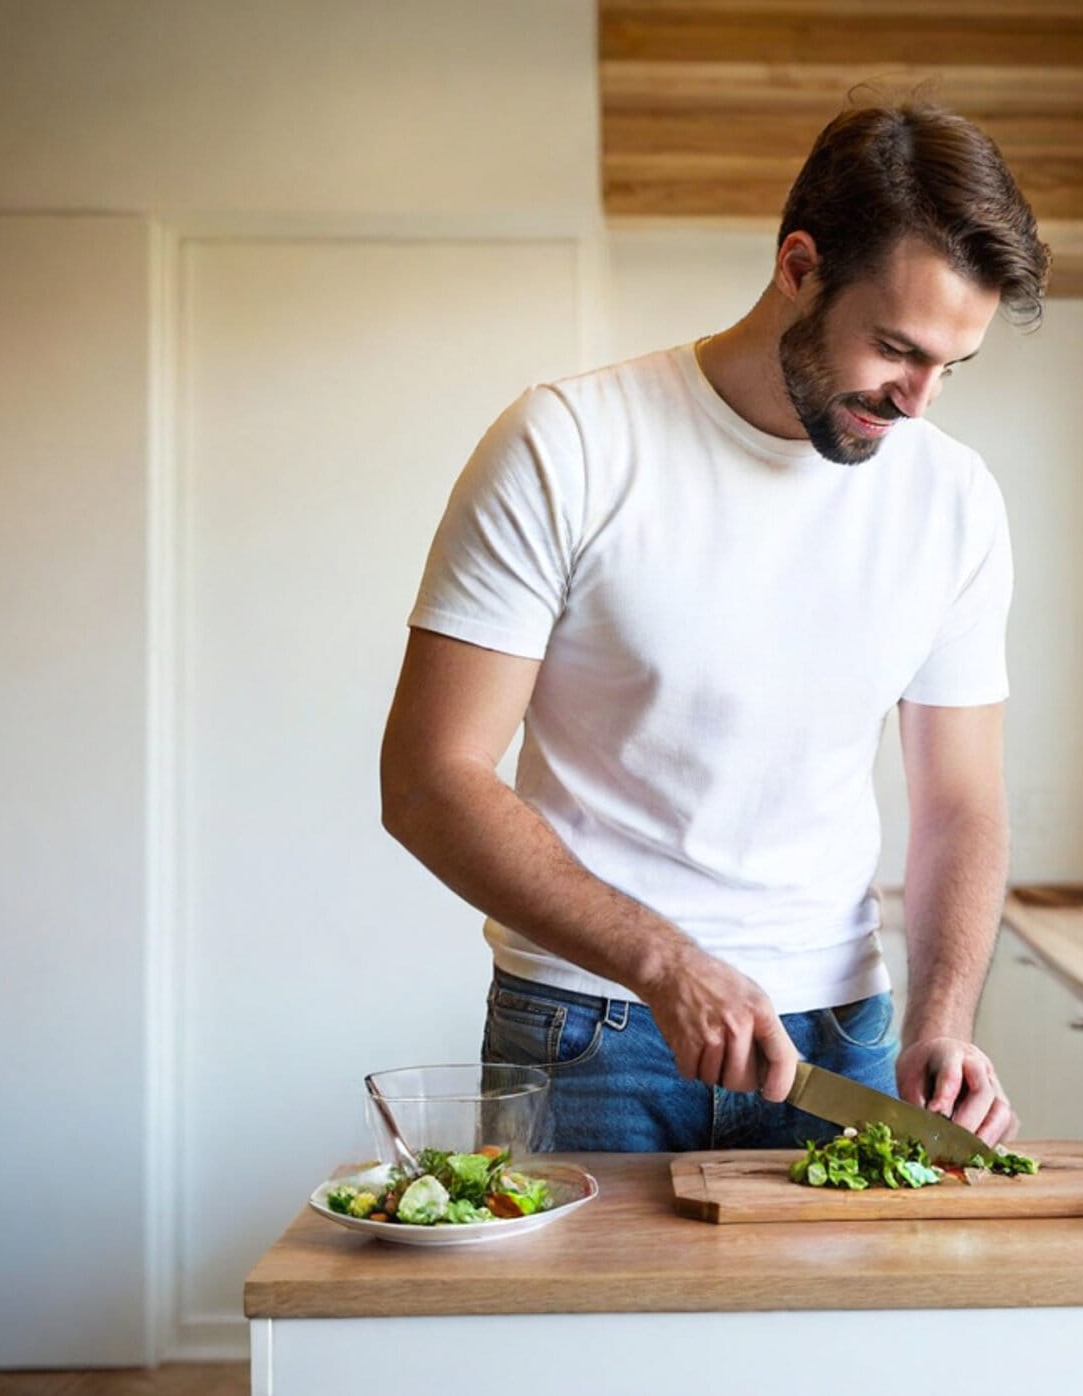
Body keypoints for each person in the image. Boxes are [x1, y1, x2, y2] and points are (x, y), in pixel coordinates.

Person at [379, 100, 1049, 1153]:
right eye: (895, 349)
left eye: (949, 368)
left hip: (844, 1039)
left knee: (841, 1329)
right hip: (591, 1028)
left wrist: (941, 1018)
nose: (917, 402)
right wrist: (664, 963)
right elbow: (429, 780)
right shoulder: (570, 445)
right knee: (585, 1328)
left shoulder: (955, 499)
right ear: (798, 265)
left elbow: (960, 802)